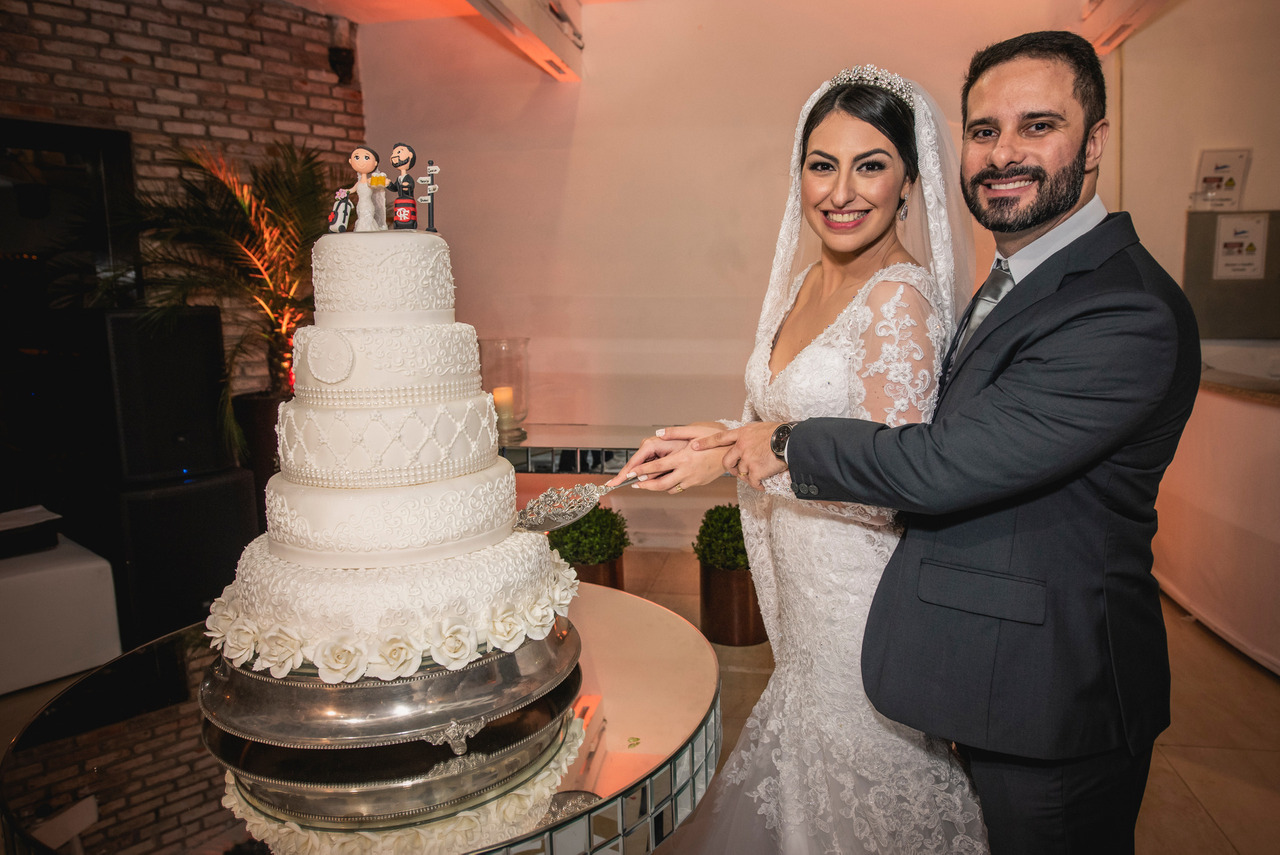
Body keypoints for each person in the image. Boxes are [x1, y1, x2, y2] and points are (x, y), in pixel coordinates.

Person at [676, 32, 1201, 854]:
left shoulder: (1122, 309)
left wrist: (778, 442)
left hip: (1051, 693)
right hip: (964, 657)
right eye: (985, 131)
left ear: (1095, 142)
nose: (1004, 153)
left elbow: (941, 460)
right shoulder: (1013, 278)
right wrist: (737, 437)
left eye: (1038, 125)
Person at [613, 66, 988, 853]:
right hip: (807, 612)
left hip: (862, 605)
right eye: (823, 164)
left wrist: (744, 452)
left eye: (871, 163)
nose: (841, 191)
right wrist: (713, 438)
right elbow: (789, 423)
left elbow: (898, 483)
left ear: (909, 181)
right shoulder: (806, 282)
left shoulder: (899, 300)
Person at [346, 145, 383, 232]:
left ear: (375, 163)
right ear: (350, 161)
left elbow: (377, 185)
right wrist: (343, 192)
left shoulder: (370, 181)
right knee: (361, 217)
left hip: (368, 204)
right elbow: (351, 190)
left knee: (367, 218)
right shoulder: (358, 183)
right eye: (357, 157)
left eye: (366, 157)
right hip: (360, 204)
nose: (361, 161)